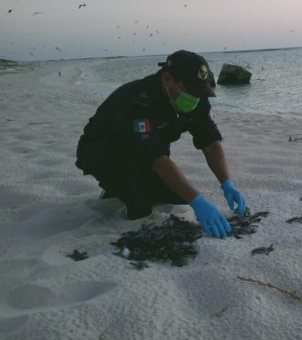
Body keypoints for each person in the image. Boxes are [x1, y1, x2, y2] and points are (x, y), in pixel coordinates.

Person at [75, 50, 245, 238]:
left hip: (145, 153)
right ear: (167, 79)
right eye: (190, 90)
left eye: (199, 91)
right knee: (139, 205)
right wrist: (197, 200)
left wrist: (226, 183)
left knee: (176, 197)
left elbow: (210, 142)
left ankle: (126, 186)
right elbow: (156, 158)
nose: (195, 97)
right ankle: (117, 186)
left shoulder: (196, 97)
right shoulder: (138, 100)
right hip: (102, 150)